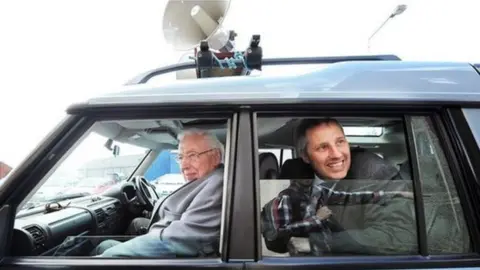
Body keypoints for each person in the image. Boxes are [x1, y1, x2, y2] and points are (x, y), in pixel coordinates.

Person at [262, 118, 417, 255]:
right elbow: (276, 242)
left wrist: (316, 243)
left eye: (340, 142)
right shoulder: (295, 183)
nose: (336, 154)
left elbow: (399, 237)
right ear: (305, 156)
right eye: (323, 147)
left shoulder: (374, 174)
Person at [92, 129, 225, 258]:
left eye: (192, 155)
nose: (184, 165)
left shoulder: (217, 182)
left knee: (104, 249)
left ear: (216, 156)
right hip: (164, 241)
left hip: (172, 256)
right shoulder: (205, 179)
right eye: (180, 157)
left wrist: (107, 258)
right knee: (106, 244)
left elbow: (181, 238)